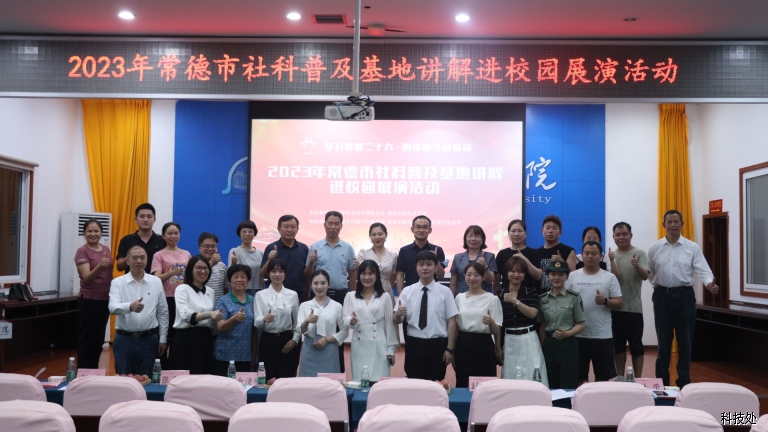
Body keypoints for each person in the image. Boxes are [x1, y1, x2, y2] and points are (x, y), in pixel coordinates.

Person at [648, 210, 718, 388]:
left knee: (685, 342)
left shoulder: (691, 247)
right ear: (663, 225)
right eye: (669, 222)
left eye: (676, 222)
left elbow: (703, 269)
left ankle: (684, 383)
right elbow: (650, 272)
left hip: (685, 296)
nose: (673, 225)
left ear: (682, 224)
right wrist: (660, 286)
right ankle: (661, 384)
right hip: (662, 297)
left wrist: (709, 284)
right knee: (663, 343)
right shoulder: (655, 247)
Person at [394, 250, 458, 381]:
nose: (425, 268)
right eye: (421, 264)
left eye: (429, 264)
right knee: (414, 383)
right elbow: (397, 320)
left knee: (436, 383)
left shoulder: (445, 292)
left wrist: (450, 349)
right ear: (416, 267)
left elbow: (452, 321)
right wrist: (399, 314)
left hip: (438, 345)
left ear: (436, 267)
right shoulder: (407, 291)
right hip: (414, 344)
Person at [304, 210, 355, 372]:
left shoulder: (347, 247)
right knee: (315, 332)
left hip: (340, 295)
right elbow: (307, 275)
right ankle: (314, 370)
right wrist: (311, 263)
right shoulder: (315, 247)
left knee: (338, 334)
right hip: (319, 294)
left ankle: (337, 373)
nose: (333, 227)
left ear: (341, 226)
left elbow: (352, 274)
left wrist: (353, 296)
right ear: (324, 225)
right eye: (330, 223)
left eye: (336, 224)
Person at [567, 241, 623, 383]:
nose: (590, 256)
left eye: (594, 253)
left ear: (601, 256)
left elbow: (619, 303)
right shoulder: (572, 276)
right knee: (578, 378)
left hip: (602, 335)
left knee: (603, 380)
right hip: (578, 335)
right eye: (586, 253)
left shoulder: (609, 277)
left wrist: (605, 301)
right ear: (582, 256)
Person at [109, 246, 169, 376]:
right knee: (124, 380)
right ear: (127, 261)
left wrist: (163, 338)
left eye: (142, 257)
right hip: (124, 340)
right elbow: (112, 307)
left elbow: (163, 312)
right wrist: (130, 307)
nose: (139, 261)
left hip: (149, 339)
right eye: (135, 258)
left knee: (149, 380)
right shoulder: (117, 283)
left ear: (147, 260)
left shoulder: (156, 282)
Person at [343, 260, 398, 382]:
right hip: (359, 347)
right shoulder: (350, 296)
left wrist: (391, 350)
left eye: (370, 273)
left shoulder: (385, 297)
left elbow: (389, 325)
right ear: (359, 276)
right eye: (363, 274)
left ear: (376, 276)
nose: (367, 277)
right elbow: (344, 319)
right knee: (359, 383)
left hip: (380, 347)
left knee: (379, 385)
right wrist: (351, 320)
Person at [498, 257, 548, 386]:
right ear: (507, 273)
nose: (516, 274)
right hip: (508, 339)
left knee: (534, 374)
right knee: (510, 377)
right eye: (512, 271)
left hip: (529, 338)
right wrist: (498, 346)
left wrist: (515, 301)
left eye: (520, 271)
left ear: (525, 274)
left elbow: (533, 314)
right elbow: (498, 324)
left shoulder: (531, 291)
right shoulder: (499, 294)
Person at [453, 262, 503, 388]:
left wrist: (491, 323)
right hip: (463, 345)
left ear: (483, 277)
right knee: (463, 383)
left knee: (484, 386)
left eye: (476, 275)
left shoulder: (492, 299)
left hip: (483, 346)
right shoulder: (459, 298)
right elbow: (455, 327)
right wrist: (452, 349)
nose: (472, 278)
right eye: (469, 274)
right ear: (464, 276)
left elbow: (497, 330)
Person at [171, 255, 222, 374]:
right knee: (184, 377)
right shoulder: (182, 289)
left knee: (203, 375)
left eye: (205, 268)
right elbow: (185, 315)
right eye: (198, 268)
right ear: (190, 270)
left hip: (205, 338)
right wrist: (209, 314)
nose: (203, 271)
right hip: (185, 338)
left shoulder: (210, 291)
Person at [538, 261, 585, 389]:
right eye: (553, 274)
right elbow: (542, 326)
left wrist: (567, 333)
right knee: (550, 383)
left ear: (567, 277)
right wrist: (541, 347)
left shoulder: (574, 297)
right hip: (549, 344)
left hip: (568, 344)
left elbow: (581, 324)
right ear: (548, 276)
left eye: (561, 275)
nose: (556, 278)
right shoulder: (542, 299)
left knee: (568, 383)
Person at [611, 222, 650, 378]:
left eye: (625, 234)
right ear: (613, 237)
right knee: (618, 347)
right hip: (615, 309)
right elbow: (613, 278)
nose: (621, 237)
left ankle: (638, 379)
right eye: (618, 235)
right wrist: (611, 260)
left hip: (634, 309)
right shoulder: (611, 256)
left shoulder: (639, 253)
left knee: (636, 347)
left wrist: (637, 266)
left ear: (631, 235)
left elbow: (645, 276)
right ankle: (620, 378)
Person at [151, 222, 192, 367]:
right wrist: (172, 273)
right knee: (164, 335)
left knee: (178, 337)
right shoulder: (159, 255)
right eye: (169, 233)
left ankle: (176, 368)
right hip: (165, 299)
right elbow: (156, 279)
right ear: (163, 236)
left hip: (182, 300)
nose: (173, 236)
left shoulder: (186, 254)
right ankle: (161, 368)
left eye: (176, 233)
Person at [74, 219, 113, 369]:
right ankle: (83, 371)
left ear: (101, 232)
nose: (93, 234)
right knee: (87, 339)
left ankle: (94, 370)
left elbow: (108, 274)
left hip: (105, 299)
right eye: (89, 231)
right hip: (89, 300)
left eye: (96, 231)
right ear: (84, 233)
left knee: (99, 339)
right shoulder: (82, 251)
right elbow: (87, 278)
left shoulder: (105, 249)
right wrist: (99, 266)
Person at [254, 259, 301, 381]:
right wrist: (264, 319)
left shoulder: (292, 294)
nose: (277, 274)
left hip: (287, 340)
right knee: (268, 378)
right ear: (268, 274)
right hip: (268, 340)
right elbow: (257, 322)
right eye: (273, 271)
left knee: (287, 378)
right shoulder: (260, 295)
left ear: (285, 274)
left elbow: (297, 322)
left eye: (280, 271)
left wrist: (295, 340)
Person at [298, 270, 349, 377]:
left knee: (329, 384)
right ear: (310, 285)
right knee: (308, 384)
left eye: (323, 283)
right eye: (316, 283)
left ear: (328, 285)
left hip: (330, 352)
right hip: (309, 352)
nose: (319, 287)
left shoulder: (337, 306)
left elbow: (344, 331)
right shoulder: (304, 306)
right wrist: (307, 321)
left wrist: (326, 339)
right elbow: (301, 330)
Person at [214, 264, 254, 376]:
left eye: (243, 277)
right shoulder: (223, 301)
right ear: (229, 280)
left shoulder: (253, 300)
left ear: (248, 280)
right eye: (236, 277)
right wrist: (234, 318)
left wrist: (254, 353)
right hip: (225, 354)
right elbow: (220, 327)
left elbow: (255, 330)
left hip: (246, 355)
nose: (239, 280)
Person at [260, 215, 309, 300]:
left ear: (297, 229)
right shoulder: (271, 248)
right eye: (286, 226)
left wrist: (307, 295)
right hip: (277, 295)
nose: (289, 230)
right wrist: (269, 260)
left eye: (293, 227)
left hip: (299, 295)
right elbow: (264, 275)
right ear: (278, 229)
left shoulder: (304, 248)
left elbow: (307, 276)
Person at [396, 215, 446, 294]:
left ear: (430, 230)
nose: (421, 230)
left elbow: (441, 276)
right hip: (410, 293)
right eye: (418, 227)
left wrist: (436, 260)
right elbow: (400, 275)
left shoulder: (437, 249)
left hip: (432, 293)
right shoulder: (404, 250)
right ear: (412, 229)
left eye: (425, 227)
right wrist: (400, 295)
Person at [494, 219, 542, 294]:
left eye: (520, 231)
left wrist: (524, 259)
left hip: (529, 296)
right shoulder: (502, 254)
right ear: (508, 234)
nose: (516, 234)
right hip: (506, 295)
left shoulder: (533, 253)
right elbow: (496, 280)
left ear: (525, 234)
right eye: (513, 231)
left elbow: (538, 276)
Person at [116, 203, 166, 274]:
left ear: (154, 219)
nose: (145, 220)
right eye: (142, 216)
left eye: (149, 217)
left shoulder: (162, 240)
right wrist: (131, 257)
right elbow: (119, 267)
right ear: (135, 219)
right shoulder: (126, 240)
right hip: (132, 280)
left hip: (155, 280)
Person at [355, 223, 398, 305]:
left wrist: (385, 285)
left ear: (386, 235)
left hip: (387, 292)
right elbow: (358, 276)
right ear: (370, 237)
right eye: (373, 235)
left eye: (380, 234)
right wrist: (357, 268)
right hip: (367, 293)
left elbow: (393, 277)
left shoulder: (393, 256)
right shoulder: (363, 253)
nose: (377, 237)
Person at [450, 225, 497, 295]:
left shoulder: (489, 256)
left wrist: (485, 267)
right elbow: (453, 283)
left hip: (481, 296)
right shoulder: (458, 257)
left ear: (482, 239)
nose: (473, 239)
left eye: (477, 236)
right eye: (470, 236)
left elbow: (490, 281)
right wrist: (451, 298)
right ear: (465, 239)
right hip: (461, 296)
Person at [537, 215, 577, 293]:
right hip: (541, 296)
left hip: (562, 295)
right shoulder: (536, 253)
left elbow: (573, 275)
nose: (550, 231)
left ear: (560, 232)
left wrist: (562, 262)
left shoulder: (568, 251)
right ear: (542, 230)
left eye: (554, 228)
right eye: (547, 228)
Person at [229, 220, 264, 295]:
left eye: (250, 231)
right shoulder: (235, 251)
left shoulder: (260, 253)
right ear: (239, 234)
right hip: (241, 290)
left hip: (259, 290)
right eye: (244, 231)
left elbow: (262, 274)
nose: (247, 234)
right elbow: (231, 274)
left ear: (254, 234)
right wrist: (233, 264)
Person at [198, 232, 228, 307]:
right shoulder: (195, 264)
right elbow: (195, 282)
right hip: (202, 306)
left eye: (213, 246)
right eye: (207, 246)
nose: (210, 249)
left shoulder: (222, 266)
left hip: (219, 306)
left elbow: (225, 288)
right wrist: (211, 263)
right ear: (200, 248)